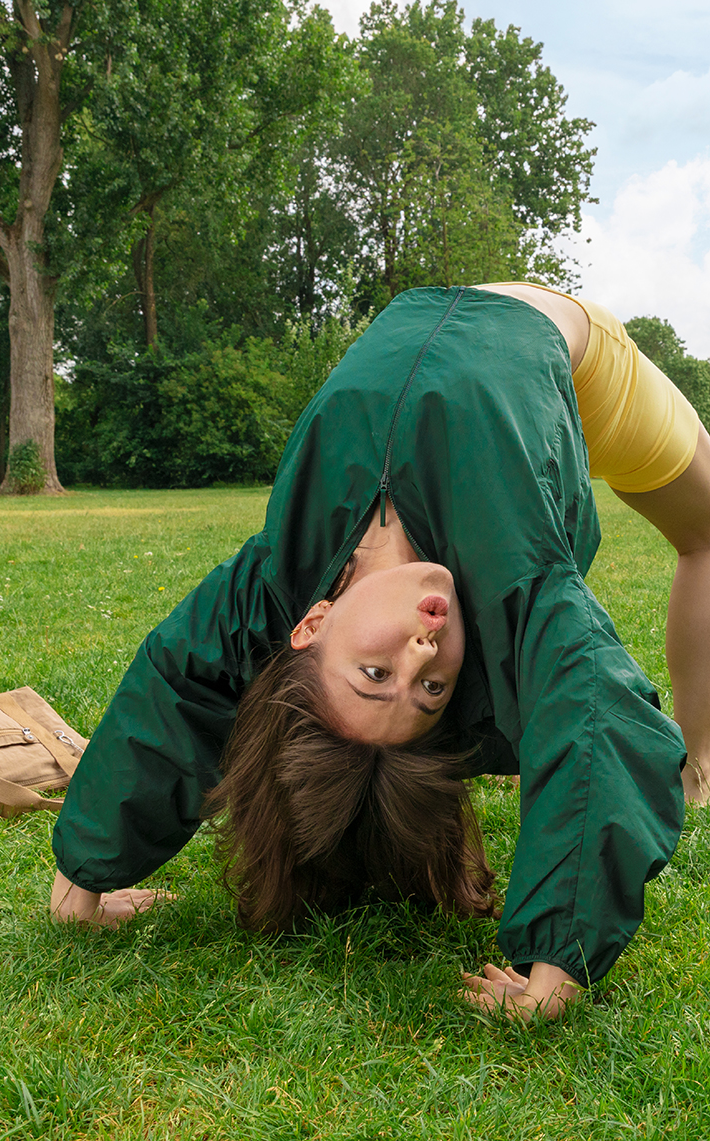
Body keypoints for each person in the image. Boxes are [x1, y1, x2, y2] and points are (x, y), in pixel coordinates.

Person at [50, 282, 710, 1020]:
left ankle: (699, 760)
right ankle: (698, 761)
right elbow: (595, 727)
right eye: (430, 692)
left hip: (536, 348)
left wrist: (82, 882)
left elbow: (174, 686)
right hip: (570, 364)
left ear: (311, 625)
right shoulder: (520, 591)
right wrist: (554, 973)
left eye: (375, 673)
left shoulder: (277, 578)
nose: (423, 653)